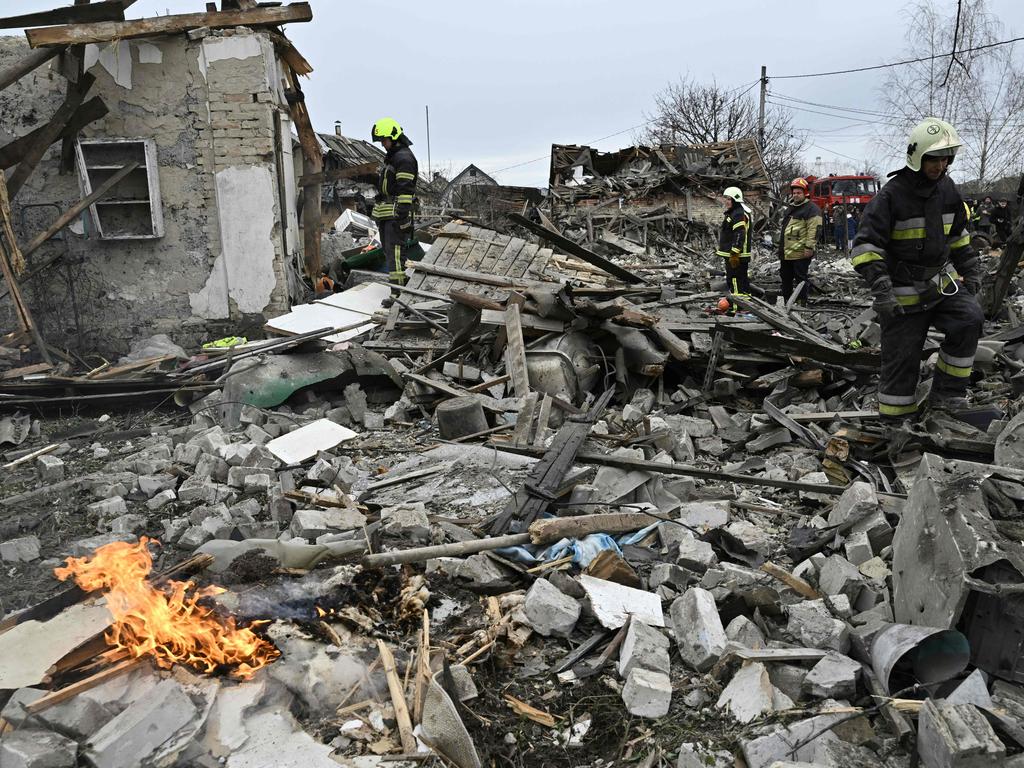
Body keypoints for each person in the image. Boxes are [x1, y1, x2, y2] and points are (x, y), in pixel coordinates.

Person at [850, 117, 984, 422]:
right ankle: (896, 424)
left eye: (945, 158)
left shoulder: (948, 190)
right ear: (917, 157)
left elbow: (959, 238)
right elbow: (864, 246)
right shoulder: (890, 197)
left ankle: (947, 398)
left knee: (969, 319)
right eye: (933, 159)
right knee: (901, 362)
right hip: (901, 296)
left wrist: (971, 269)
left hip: (940, 286)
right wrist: (882, 290)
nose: (940, 166)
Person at [370, 117, 418, 282]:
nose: (383, 144)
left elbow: (405, 191)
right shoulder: (394, 157)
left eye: (384, 140)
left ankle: (398, 294)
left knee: (396, 253)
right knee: (391, 253)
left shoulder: (404, 159)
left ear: (394, 137)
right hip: (388, 215)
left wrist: (401, 217)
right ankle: (396, 289)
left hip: (396, 216)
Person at [778, 177, 821, 304]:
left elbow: (814, 230)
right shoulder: (791, 207)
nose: (796, 195)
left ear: (805, 193)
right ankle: (787, 302)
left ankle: (802, 303)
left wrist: (809, 247)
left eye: (799, 193)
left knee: (800, 278)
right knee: (785, 278)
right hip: (786, 252)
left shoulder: (812, 209)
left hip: (800, 253)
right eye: (794, 192)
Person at [716, 187, 752, 305]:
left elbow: (739, 233)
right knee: (741, 280)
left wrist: (735, 252)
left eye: (729, 199)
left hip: (737, 255)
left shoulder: (738, 213)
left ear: (735, 200)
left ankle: (737, 305)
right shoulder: (735, 212)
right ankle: (745, 304)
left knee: (735, 280)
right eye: (725, 198)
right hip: (733, 253)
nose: (726, 201)